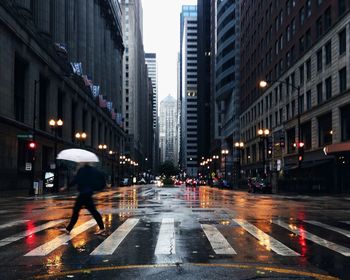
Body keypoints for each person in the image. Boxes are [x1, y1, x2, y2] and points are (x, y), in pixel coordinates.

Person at [60, 163, 105, 235]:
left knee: (77, 211)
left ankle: (68, 229)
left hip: (83, 194)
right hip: (88, 193)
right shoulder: (93, 170)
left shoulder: (82, 170)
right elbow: (100, 179)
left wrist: (66, 187)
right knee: (92, 211)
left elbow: (76, 180)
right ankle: (68, 229)